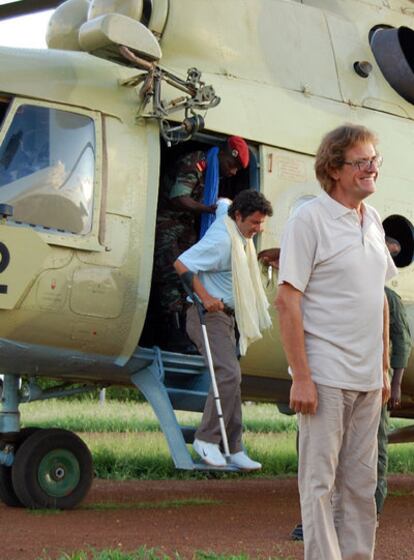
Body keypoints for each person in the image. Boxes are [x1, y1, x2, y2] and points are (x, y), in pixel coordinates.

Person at [275, 124, 397, 560]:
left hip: (367, 381)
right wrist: (301, 378)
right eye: (361, 162)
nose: (371, 169)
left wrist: (382, 369)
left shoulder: (375, 220)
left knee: (363, 484)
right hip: (325, 376)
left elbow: (380, 299)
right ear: (334, 169)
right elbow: (287, 301)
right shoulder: (309, 220)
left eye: (374, 161)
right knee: (319, 483)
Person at [174, 189, 273, 469]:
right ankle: (206, 439)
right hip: (208, 316)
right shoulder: (222, 240)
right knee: (227, 374)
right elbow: (182, 263)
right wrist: (206, 298)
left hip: (227, 319)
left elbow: (224, 204)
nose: (258, 229)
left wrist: (223, 202)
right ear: (238, 217)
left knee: (233, 379)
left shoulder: (234, 227)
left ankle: (234, 446)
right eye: (254, 223)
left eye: (261, 223)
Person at [153, 136, 250, 353]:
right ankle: (174, 336)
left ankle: (186, 335)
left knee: (188, 281)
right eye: (232, 166)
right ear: (224, 154)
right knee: (171, 275)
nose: (233, 172)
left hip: (184, 226)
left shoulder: (213, 173)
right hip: (167, 223)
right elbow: (179, 198)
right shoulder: (197, 162)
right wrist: (209, 210)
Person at [376, 237, 412, 519]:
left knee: (376, 446)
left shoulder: (389, 298)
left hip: (377, 383)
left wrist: (396, 384)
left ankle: (372, 508)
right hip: (345, 380)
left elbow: (402, 342)